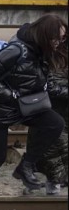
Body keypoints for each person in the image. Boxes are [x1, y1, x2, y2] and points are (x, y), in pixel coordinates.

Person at [0, 14, 67, 195]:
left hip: (24, 106)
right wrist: (9, 96)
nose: (59, 42)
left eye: (62, 38)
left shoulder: (42, 53)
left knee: (54, 123)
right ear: (46, 34)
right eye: (57, 38)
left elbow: (50, 85)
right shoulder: (17, 50)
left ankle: (26, 165)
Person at [38, 47, 68, 195]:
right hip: (57, 113)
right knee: (55, 151)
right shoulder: (56, 59)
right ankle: (52, 186)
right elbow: (52, 88)